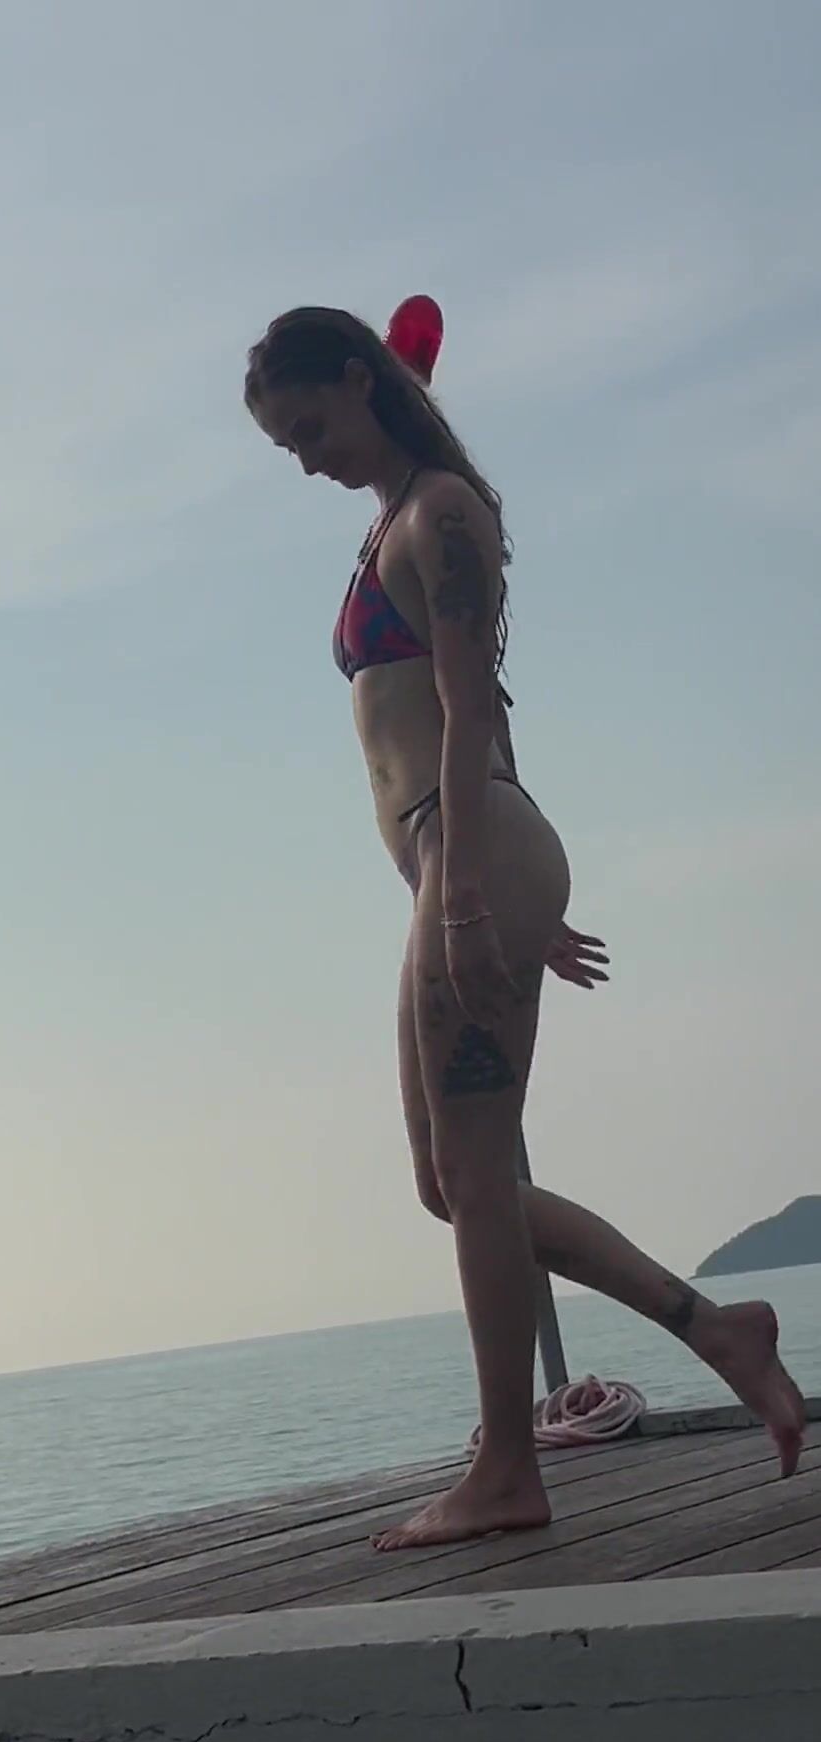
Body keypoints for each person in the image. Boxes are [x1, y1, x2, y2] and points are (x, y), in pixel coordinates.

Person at [244, 304, 807, 1550]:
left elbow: (460, 708)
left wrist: (474, 890)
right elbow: (481, 710)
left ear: (359, 381)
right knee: (454, 1184)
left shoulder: (441, 512)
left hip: (467, 848)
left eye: (311, 427)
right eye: (286, 445)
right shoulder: (397, 519)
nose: (305, 459)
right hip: (466, 853)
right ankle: (718, 1329)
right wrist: (496, 892)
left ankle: (509, 1466)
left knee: (478, 1177)